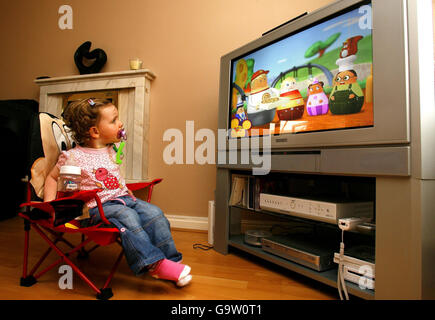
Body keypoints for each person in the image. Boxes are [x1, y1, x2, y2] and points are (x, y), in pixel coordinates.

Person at [43, 98, 192, 287]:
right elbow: (52, 178)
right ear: (95, 132)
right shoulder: (73, 157)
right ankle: (154, 264)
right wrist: (50, 205)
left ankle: (171, 261)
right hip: (97, 207)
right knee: (127, 217)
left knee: (155, 213)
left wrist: (125, 188)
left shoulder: (111, 150)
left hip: (123, 198)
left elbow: (114, 176)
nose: (120, 123)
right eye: (113, 120)